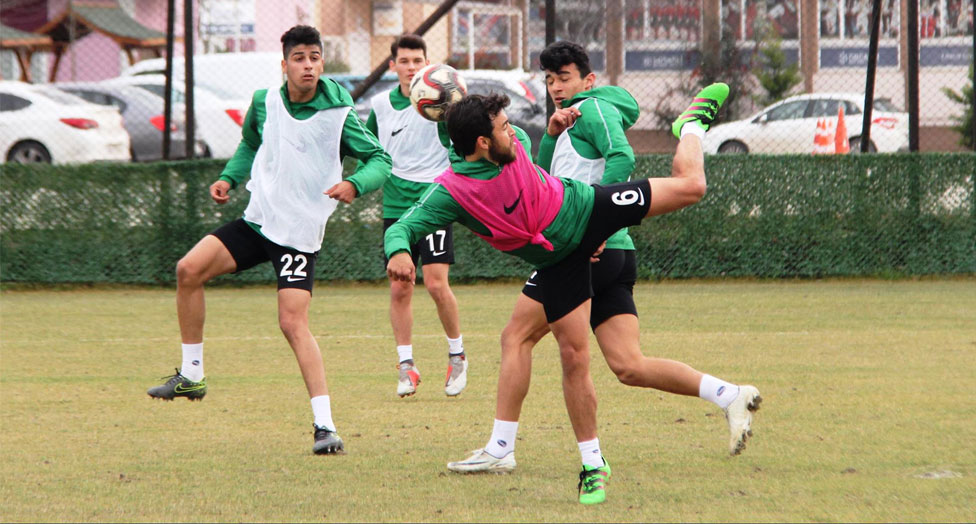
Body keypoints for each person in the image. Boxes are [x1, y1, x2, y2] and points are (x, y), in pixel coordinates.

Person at [384, 81, 741, 504]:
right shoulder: (452, 192)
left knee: (692, 187)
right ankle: (592, 464)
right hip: (562, 262)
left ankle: (691, 126)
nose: (513, 132)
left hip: (589, 206)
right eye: (502, 127)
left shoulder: (507, 146)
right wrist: (400, 252)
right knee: (574, 355)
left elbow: (530, 165)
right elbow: (403, 226)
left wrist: (548, 134)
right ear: (481, 143)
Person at [446, 41, 762, 481]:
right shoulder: (565, 122)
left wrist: (598, 228)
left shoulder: (592, 109)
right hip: (610, 251)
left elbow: (622, 158)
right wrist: (553, 136)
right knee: (628, 365)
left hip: (589, 246)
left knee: (516, 337)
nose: (557, 88)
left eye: (565, 78)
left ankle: (502, 448)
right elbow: (542, 181)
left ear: (588, 81)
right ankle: (728, 394)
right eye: (550, 80)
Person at [146, 25, 392, 455]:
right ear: (285, 65)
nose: (309, 65)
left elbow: (379, 159)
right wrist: (229, 177)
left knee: (292, 324)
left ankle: (325, 426)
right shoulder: (265, 102)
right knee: (188, 270)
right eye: (300, 58)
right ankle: (192, 375)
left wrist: (355, 184)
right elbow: (249, 144)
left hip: (297, 234)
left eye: (315, 57)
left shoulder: (338, 112)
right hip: (258, 221)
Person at [365, 34, 467, 398]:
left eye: (417, 61)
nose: (411, 67)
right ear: (393, 66)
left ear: (428, 64)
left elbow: (459, 148)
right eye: (404, 61)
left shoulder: (444, 103)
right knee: (400, 286)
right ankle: (406, 367)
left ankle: (457, 356)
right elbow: (371, 153)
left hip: (435, 202)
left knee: (437, 284)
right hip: (396, 206)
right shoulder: (379, 104)